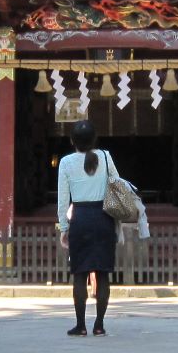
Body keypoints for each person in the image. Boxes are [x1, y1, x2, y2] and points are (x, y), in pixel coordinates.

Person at [57, 119, 120, 336]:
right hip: (103, 217)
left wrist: (64, 227)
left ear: (72, 140)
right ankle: (100, 324)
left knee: (80, 273)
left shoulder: (66, 162)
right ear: (94, 140)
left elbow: (63, 198)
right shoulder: (104, 156)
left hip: (80, 217)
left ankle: (80, 325)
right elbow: (117, 184)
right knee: (102, 273)